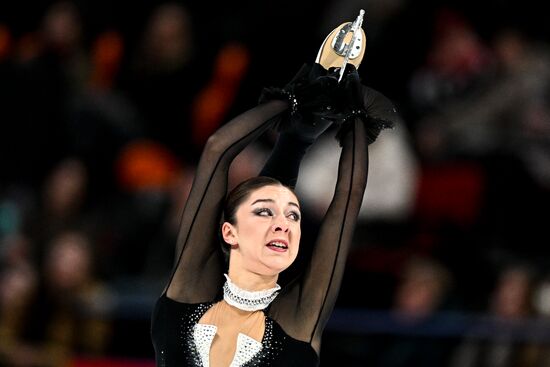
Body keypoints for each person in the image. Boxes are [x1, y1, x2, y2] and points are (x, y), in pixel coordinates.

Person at [151, 12, 399, 366]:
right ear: (229, 231)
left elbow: (345, 203)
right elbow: (218, 150)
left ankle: (296, 137)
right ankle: (297, 137)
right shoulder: (188, 299)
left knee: (284, 162)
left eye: (294, 215)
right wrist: (297, 100)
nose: (284, 223)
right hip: (295, 114)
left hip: (299, 118)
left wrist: (345, 110)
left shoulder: (293, 325)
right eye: (266, 212)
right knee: (285, 159)